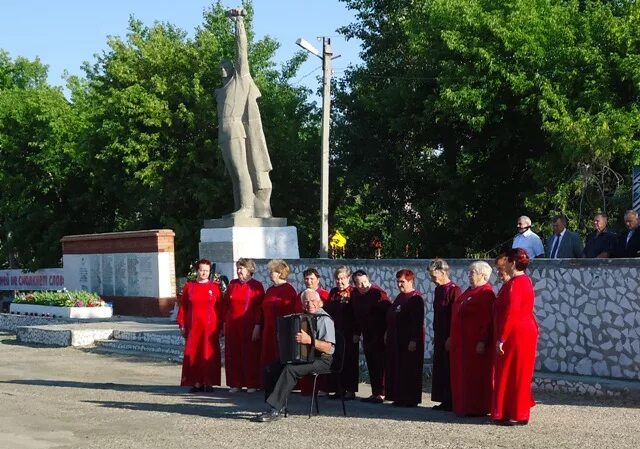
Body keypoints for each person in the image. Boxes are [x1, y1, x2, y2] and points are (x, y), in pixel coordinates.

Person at [216, 8, 272, 218]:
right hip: (223, 132)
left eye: (226, 65)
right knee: (233, 173)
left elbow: (242, 52)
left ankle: (248, 208)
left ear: (233, 68)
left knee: (242, 170)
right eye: (220, 66)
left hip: (236, 131)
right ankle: (240, 206)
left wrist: (238, 22)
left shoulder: (239, 80)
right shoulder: (220, 92)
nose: (222, 68)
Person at [254, 289, 335, 422]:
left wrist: (310, 341)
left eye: (313, 301)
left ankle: (274, 409)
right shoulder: (302, 317)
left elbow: (329, 348)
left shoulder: (324, 320)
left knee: (290, 370)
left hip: (323, 359)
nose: (310, 304)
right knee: (271, 368)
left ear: (320, 302)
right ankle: (275, 406)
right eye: (306, 302)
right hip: (305, 356)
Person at [492, 248, 539, 426]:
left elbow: (512, 312)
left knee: (518, 373)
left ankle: (519, 413)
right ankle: (509, 410)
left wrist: (502, 337)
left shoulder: (518, 283)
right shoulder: (519, 282)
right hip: (520, 331)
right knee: (511, 373)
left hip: (517, 333)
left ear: (512, 263)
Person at [447, 261, 495, 417]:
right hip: (461, 343)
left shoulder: (486, 293)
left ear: (482, 275)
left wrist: (482, 340)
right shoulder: (469, 291)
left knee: (474, 376)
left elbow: (487, 320)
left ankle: (476, 407)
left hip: (474, 343)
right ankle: (462, 405)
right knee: (461, 375)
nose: (469, 275)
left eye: (472, 272)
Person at [177, 259, 222, 392]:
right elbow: (183, 307)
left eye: (206, 271)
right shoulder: (189, 287)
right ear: (197, 270)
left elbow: (220, 308)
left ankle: (209, 382)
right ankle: (196, 382)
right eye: (201, 270)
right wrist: (182, 325)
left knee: (208, 354)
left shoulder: (215, 287)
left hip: (210, 328)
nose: (204, 273)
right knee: (194, 354)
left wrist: (221, 326)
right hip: (193, 327)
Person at [221, 258, 264, 393]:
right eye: (238, 268)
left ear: (250, 270)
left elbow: (259, 308)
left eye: (242, 268)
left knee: (250, 354)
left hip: (249, 325)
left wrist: (258, 325)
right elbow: (225, 305)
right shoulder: (233, 285)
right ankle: (236, 383)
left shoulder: (256, 286)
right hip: (233, 325)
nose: (239, 271)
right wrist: (224, 323)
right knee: (234, 354)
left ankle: (252, 384)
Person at [385, 269, 425, 407]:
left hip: (409, 340)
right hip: (396, 338)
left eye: (402, 281)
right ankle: (398, 396)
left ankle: (409, 398)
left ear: (410, 281)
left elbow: (417, 321)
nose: (399, 284)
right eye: (397, 281)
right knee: (398, 368)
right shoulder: (400, 297)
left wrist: (414, 340)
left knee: (409, 369)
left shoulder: (415, 298)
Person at [259, 259, 302, 384]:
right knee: (269, 356)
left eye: (271, 271)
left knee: (281, 356)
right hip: (269, 328)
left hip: (282, 329)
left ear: (279, 272)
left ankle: (283, 384)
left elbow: (291, 311)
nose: (269, 273)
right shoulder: (270, 290)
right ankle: (269, 382)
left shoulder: (288, 290)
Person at [351, 269, 391, 404]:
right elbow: (356, 316)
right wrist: (357, 333)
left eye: (365, 282)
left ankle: (383, 393)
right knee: (372, 364)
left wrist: (387, 332)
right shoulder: (355, 295)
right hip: (367, 334)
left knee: (381, 364)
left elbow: (389, 313)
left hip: (380, 333)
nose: (363, 286)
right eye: (359, 284)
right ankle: (375, 392)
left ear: (369, 280)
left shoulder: (378, 293)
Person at [427, 258, 461, 411]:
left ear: (443, 272)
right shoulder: (438, 289)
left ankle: (452, 400)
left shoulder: (454, 290)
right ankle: (443, 399)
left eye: (434, 276)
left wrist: (451, 336)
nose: (433, 279)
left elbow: (455, 316)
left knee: (449, 367)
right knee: (440, 367)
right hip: (439, 333)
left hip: (449, 334)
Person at [323, 266, 359, 400]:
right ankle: (338, 389)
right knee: (336, 360)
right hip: (334, 332)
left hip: (349, 333)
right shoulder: (333, 292)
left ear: (348, 278)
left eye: (342, 278)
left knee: (349, 361)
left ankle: (350, 390)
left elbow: (356, 314)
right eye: (337, 279)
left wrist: (357, 332)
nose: (340, 281)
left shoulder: (353, 292)